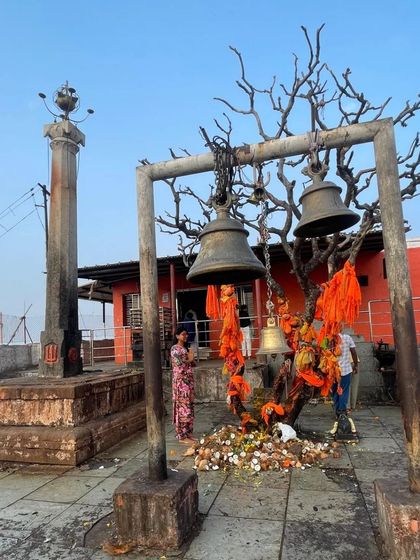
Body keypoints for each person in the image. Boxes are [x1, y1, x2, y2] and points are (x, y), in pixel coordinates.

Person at [170, 326, 196, 444]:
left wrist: (192, 359)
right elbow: (179, 367)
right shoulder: (175, 349)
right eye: (183, 334)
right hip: (181, 383)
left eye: (186, 334)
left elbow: (191, 365)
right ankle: (182, 435)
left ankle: (188, 433)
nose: (185, 336)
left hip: (188, 382)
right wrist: (190, 360)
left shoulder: (185, 349)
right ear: (177, 336)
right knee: (183, 408)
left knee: (189, 407)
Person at [330, 332, 358, 434]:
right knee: (343, 391)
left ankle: (337, 411)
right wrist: (355, 365)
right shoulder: (347, 337)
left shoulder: (328, 338)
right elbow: (354, 352)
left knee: (335, 391)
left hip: (332, 371)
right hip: (345, 370)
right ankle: (342, 412)